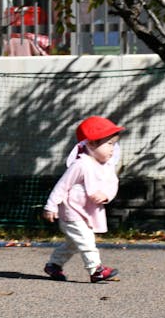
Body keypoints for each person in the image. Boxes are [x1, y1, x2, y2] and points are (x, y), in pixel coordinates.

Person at [42, 115, 123, 283]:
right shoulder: (80, 164)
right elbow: (62, 186)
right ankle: (96, 270)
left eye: (114, 144)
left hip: (87, 213)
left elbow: (112, 184)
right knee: (86, 240)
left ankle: (54, 265)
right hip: (72, 212)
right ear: (91, 143)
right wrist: (51, 206)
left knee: (73, 244)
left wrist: (106, 195)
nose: (112, 149)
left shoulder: (106, 166)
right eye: (108, 144)